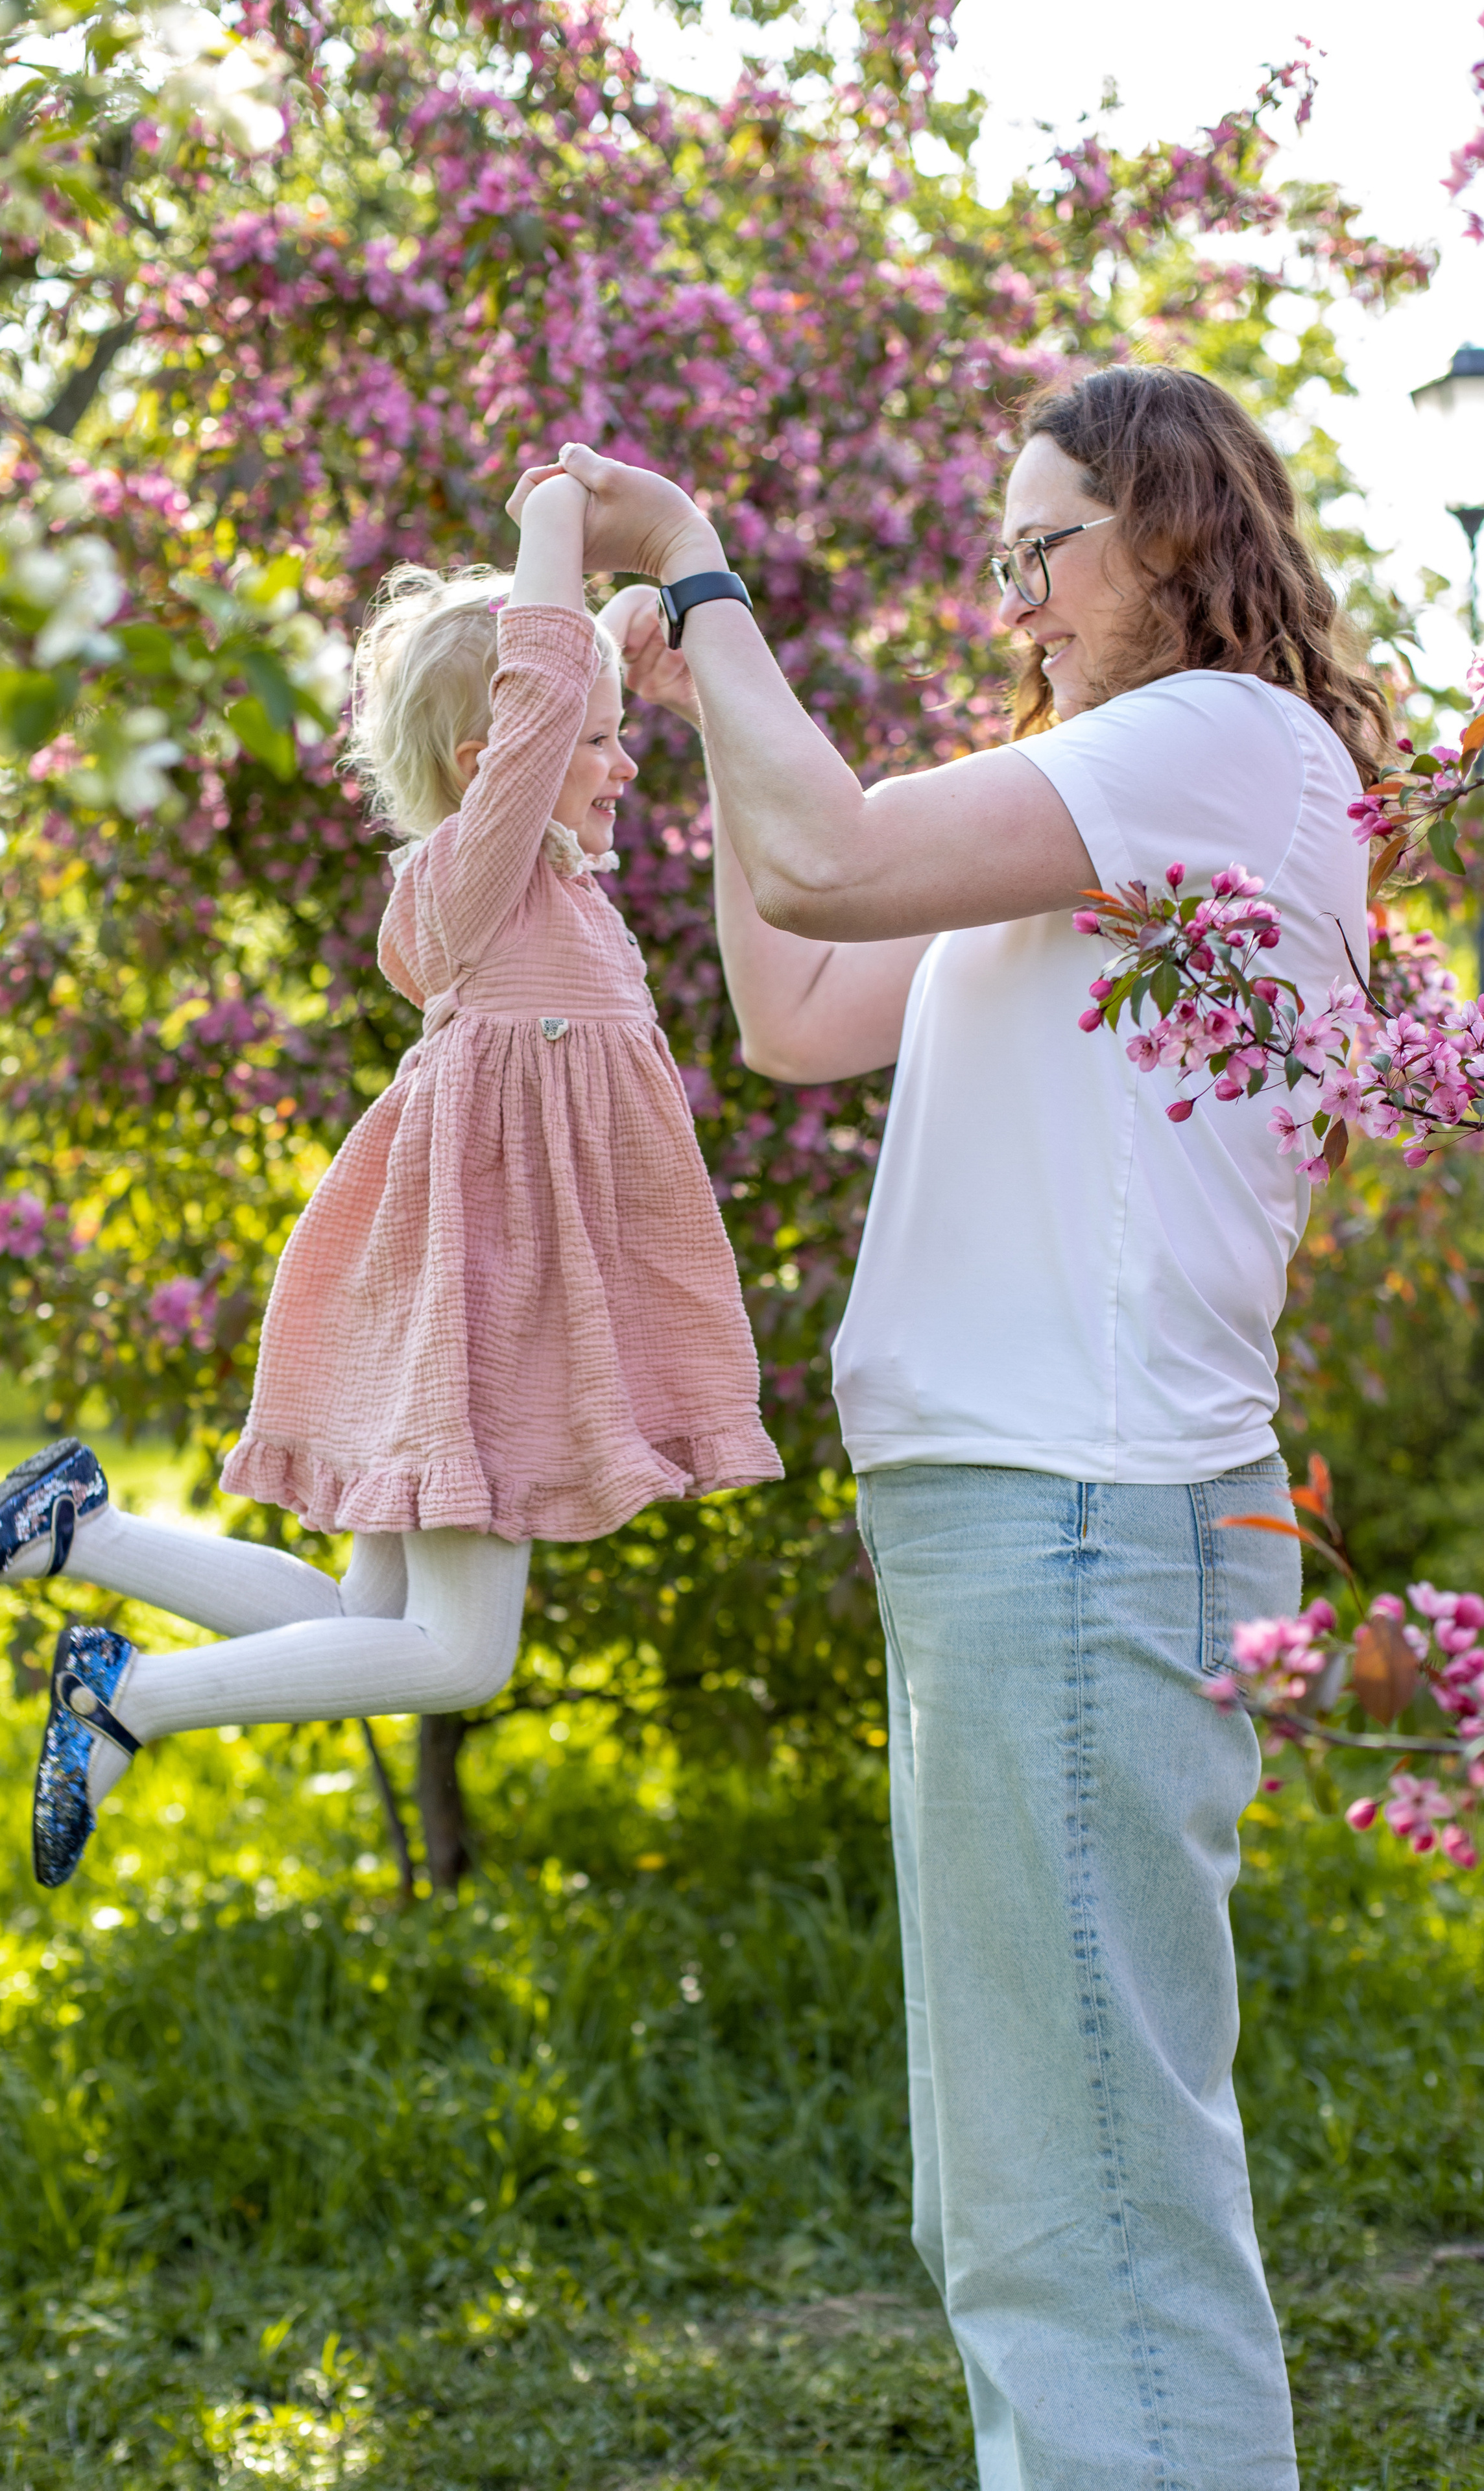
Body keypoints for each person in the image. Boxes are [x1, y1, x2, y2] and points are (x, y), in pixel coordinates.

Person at [533, 365, 1384, 2490]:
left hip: (1082, 1509)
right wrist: (706, 716)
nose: (1010, 599)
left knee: (1080, 2205)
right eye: (997, 559)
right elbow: (798, 1007)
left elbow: (825, 867)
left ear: (1171, 530)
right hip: (1021, 1521)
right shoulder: (1100, 801)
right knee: (1028, 2201)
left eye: (1039, 549)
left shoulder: (1213, 745)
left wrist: (699, 567)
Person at [0, 474, 780, 1888]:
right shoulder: (471, 880)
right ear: (501, 750)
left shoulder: (536, 882)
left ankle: (81, 1529)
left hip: (473, 1297)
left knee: (364, 1615)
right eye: (598, 743)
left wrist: (634, 637)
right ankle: (127, 1697)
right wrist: (556, 517)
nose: (624, 766)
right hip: (482, 1314)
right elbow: (551, 689)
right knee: (451, 1657)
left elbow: (569, 680)